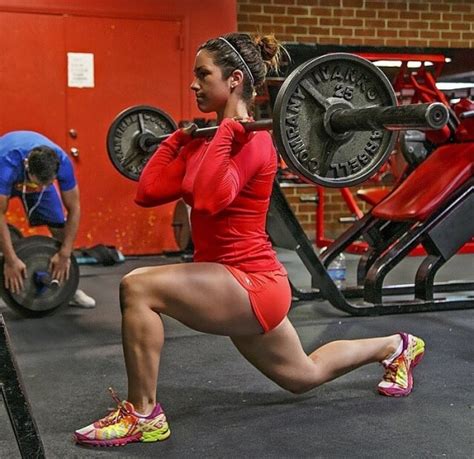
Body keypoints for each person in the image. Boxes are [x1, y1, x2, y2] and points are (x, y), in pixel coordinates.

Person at [74, 33, 425, 447]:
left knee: (138, 287)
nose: (193, 84)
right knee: (302, 376)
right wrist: (178, 141)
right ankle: (396, 345)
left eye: (202, 75)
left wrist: (225, 134)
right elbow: (147, 191)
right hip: (229, 281)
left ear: (235, 79)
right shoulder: (208, 139)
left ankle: (143, 414)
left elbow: (206, 200)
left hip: (251, 283)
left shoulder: (256, 143)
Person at [0, 131, 96, 308]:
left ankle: (67, 288)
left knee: (60, 228)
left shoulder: (62, 162)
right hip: (7, 175)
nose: (40, 188)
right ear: (28, 166)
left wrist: (65, 253)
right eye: (38, 184)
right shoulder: (7, 164)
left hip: (34, 177)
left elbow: (74, 209)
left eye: (48, 184)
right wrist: (11, 260)